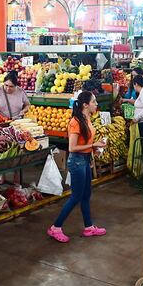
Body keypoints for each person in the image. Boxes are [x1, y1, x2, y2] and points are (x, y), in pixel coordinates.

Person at [46, 91, 107, 243]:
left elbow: (83, 143)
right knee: (76, 197)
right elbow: (72, 148)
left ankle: (88, 227)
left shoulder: (87, 118)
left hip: (85, 160)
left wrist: (94, 149)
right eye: (94, 102)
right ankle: (55, 228)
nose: (96, 104)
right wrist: (93, 145)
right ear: (86, 105)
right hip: (77, 161)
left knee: (86, 195)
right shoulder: (75, 122)